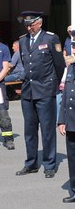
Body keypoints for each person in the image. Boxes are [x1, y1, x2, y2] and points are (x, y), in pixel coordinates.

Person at [15, 11, 65, 178]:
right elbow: (24, 62)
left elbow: (59, 65)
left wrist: (53, 85)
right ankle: (31, 163)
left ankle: (49, 164)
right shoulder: (23, 40)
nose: (29, 27)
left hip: (45, 89)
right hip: (28, 90)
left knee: (47, 129)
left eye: (32, 24)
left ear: (40, 23)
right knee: (29, 129)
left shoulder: (51, 38)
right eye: (27, 25)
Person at [58, 58, 75, 203]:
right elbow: (64, 96)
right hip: (71, 122)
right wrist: (62, 120)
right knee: (73, 158)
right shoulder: (70, 68)